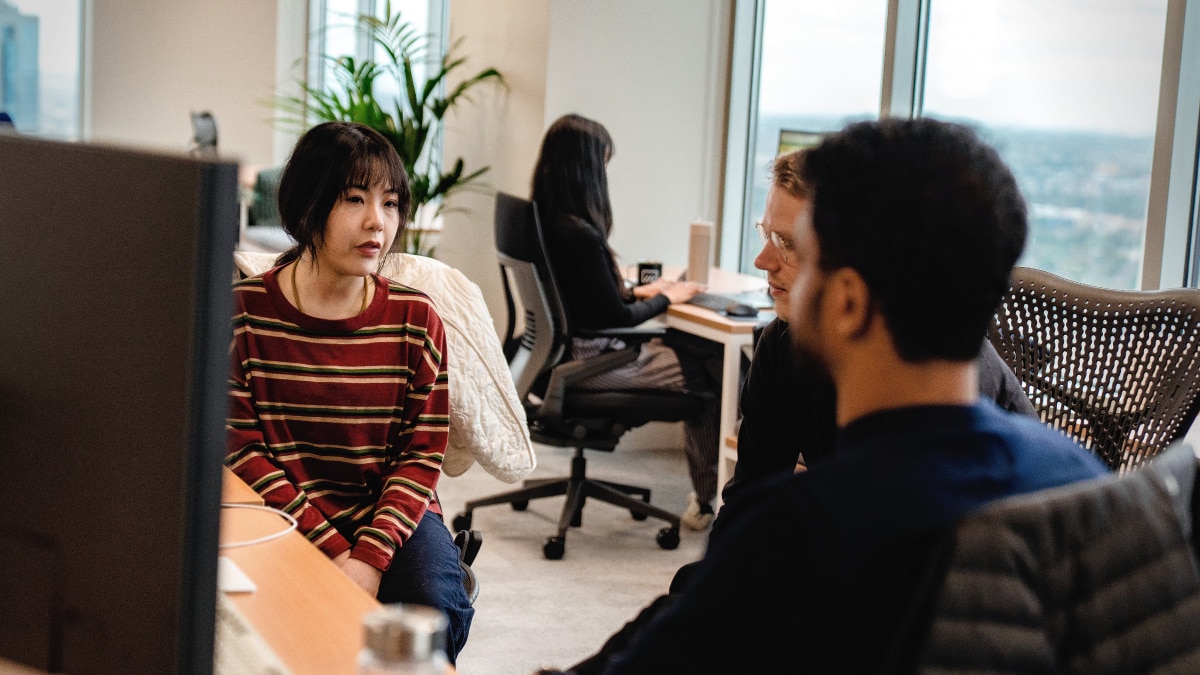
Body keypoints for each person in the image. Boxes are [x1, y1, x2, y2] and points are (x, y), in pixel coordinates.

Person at [553, 117, 1110, 673]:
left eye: (798, 251)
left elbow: (706, 623)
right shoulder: (1085, 486)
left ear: (848, 301)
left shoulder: (812, 533)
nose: (763, 263)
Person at [224, 121, 474, 661]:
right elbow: (243, 448)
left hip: (392, 513)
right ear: (307, 205)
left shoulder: (416, 318)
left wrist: (369, 555)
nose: (376, 223)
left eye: (389, 204)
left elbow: (421, 453)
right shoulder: (242, 314)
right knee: (262, 617)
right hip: (285, 509)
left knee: (432, 609)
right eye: (354, 199)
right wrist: (333, 550)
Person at [531, 113, 722, 529]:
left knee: (702, 350)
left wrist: (640, 292)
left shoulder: (544, 220)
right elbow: (615, 318)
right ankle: (711, 500)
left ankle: (714, 493)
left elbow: (585, 299)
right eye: (602, 164)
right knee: (713, 374)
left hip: (560, 359)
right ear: (586, 168)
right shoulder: (580, 234)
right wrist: (669, 296)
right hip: (594, 364)